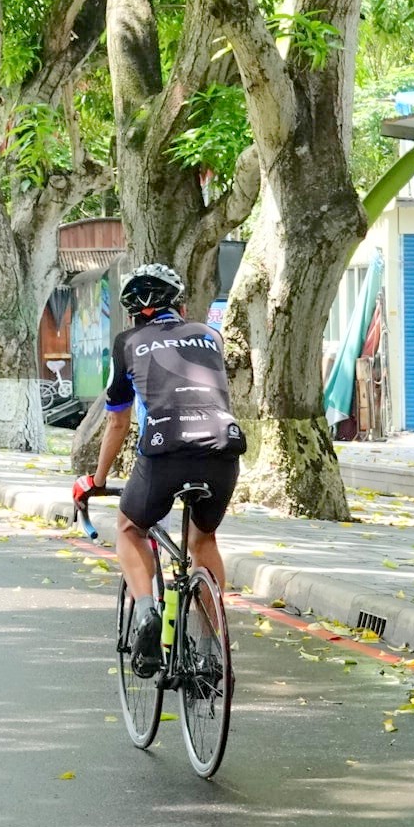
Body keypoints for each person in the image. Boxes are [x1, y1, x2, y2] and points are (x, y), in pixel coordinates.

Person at [72, 264, 244, 679]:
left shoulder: (128, 343)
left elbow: (118, 422)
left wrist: (96, 480)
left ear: (131, 313)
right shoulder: (211, 335)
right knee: (203, 539)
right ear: (180, 304)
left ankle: (147, 611)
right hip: (224, 446)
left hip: (165, 450)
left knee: (130, 528)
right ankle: (210, 648)